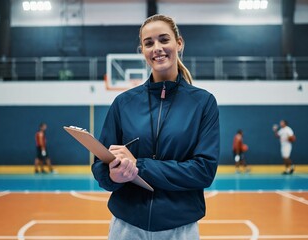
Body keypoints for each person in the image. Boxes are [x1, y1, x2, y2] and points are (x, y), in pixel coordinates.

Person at [91, 14, 220, 240]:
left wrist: (139, 166)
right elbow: (100, 167)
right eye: (149, 43)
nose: (157, 48)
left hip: (180, 229)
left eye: (164, 40)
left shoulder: (203, 103)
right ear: (142, 50)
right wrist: (113, 175)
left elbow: (203, 171)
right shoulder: (123, 103)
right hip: (126, 227)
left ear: (179, 43)